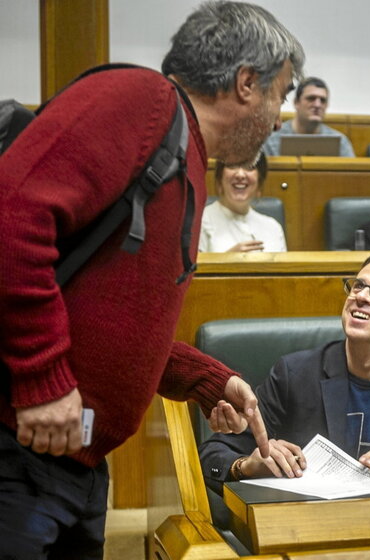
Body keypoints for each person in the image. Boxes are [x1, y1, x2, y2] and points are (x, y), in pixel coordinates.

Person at [0, 2, 305, 557]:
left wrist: (201, 379)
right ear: (245, 84)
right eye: (281, 94)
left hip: (73, 463)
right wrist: (42, 377)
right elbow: (10, 217)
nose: (281, 117)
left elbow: (110, 319)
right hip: (19, 448)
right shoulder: (143, 102)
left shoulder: (185, 152)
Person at [200, 252, 370, 495]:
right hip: (308, 529)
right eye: (358, 286)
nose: (361, 297)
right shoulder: (294, 375)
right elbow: (212, 456)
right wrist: (245, 466)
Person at [199, 153, 287, 252]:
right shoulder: (200, 222)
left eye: (249, 166)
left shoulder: (273, 227)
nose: (240, 175)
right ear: (220, 177)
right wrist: (227, 261)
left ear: (259, 179)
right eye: (232, 166)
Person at [262, 76, 355, 157]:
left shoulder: (340, 142)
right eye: (311, 98)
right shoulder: (272, 139)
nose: (317, 105)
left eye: (322, 100)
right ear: (296, 102)